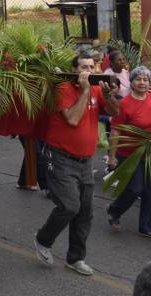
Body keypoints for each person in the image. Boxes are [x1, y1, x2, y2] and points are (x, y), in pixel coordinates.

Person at [34, 53, 120, 275]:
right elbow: (72, 119)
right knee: (70, 206)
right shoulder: (63, 88)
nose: (88, 71)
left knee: (85, 212)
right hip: (61, 158)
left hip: (85, 161)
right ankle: (43, 239)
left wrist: (110, 96)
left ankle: (75, 258)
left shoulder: (97, 88)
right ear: (74, 70)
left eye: (92, 67)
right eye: (83, 67)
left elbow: (114, 113)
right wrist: (84, 91)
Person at [106, 65, 151, 236]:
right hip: (128, 154)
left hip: (148, 153)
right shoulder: (124, 104)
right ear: (131, 82)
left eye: (145, 79)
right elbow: (115, 130)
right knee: (135, 189)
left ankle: (145, 226)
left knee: (150, 190)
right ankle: (114, 210)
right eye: (138, 79)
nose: (142, 82)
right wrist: (111, 156)